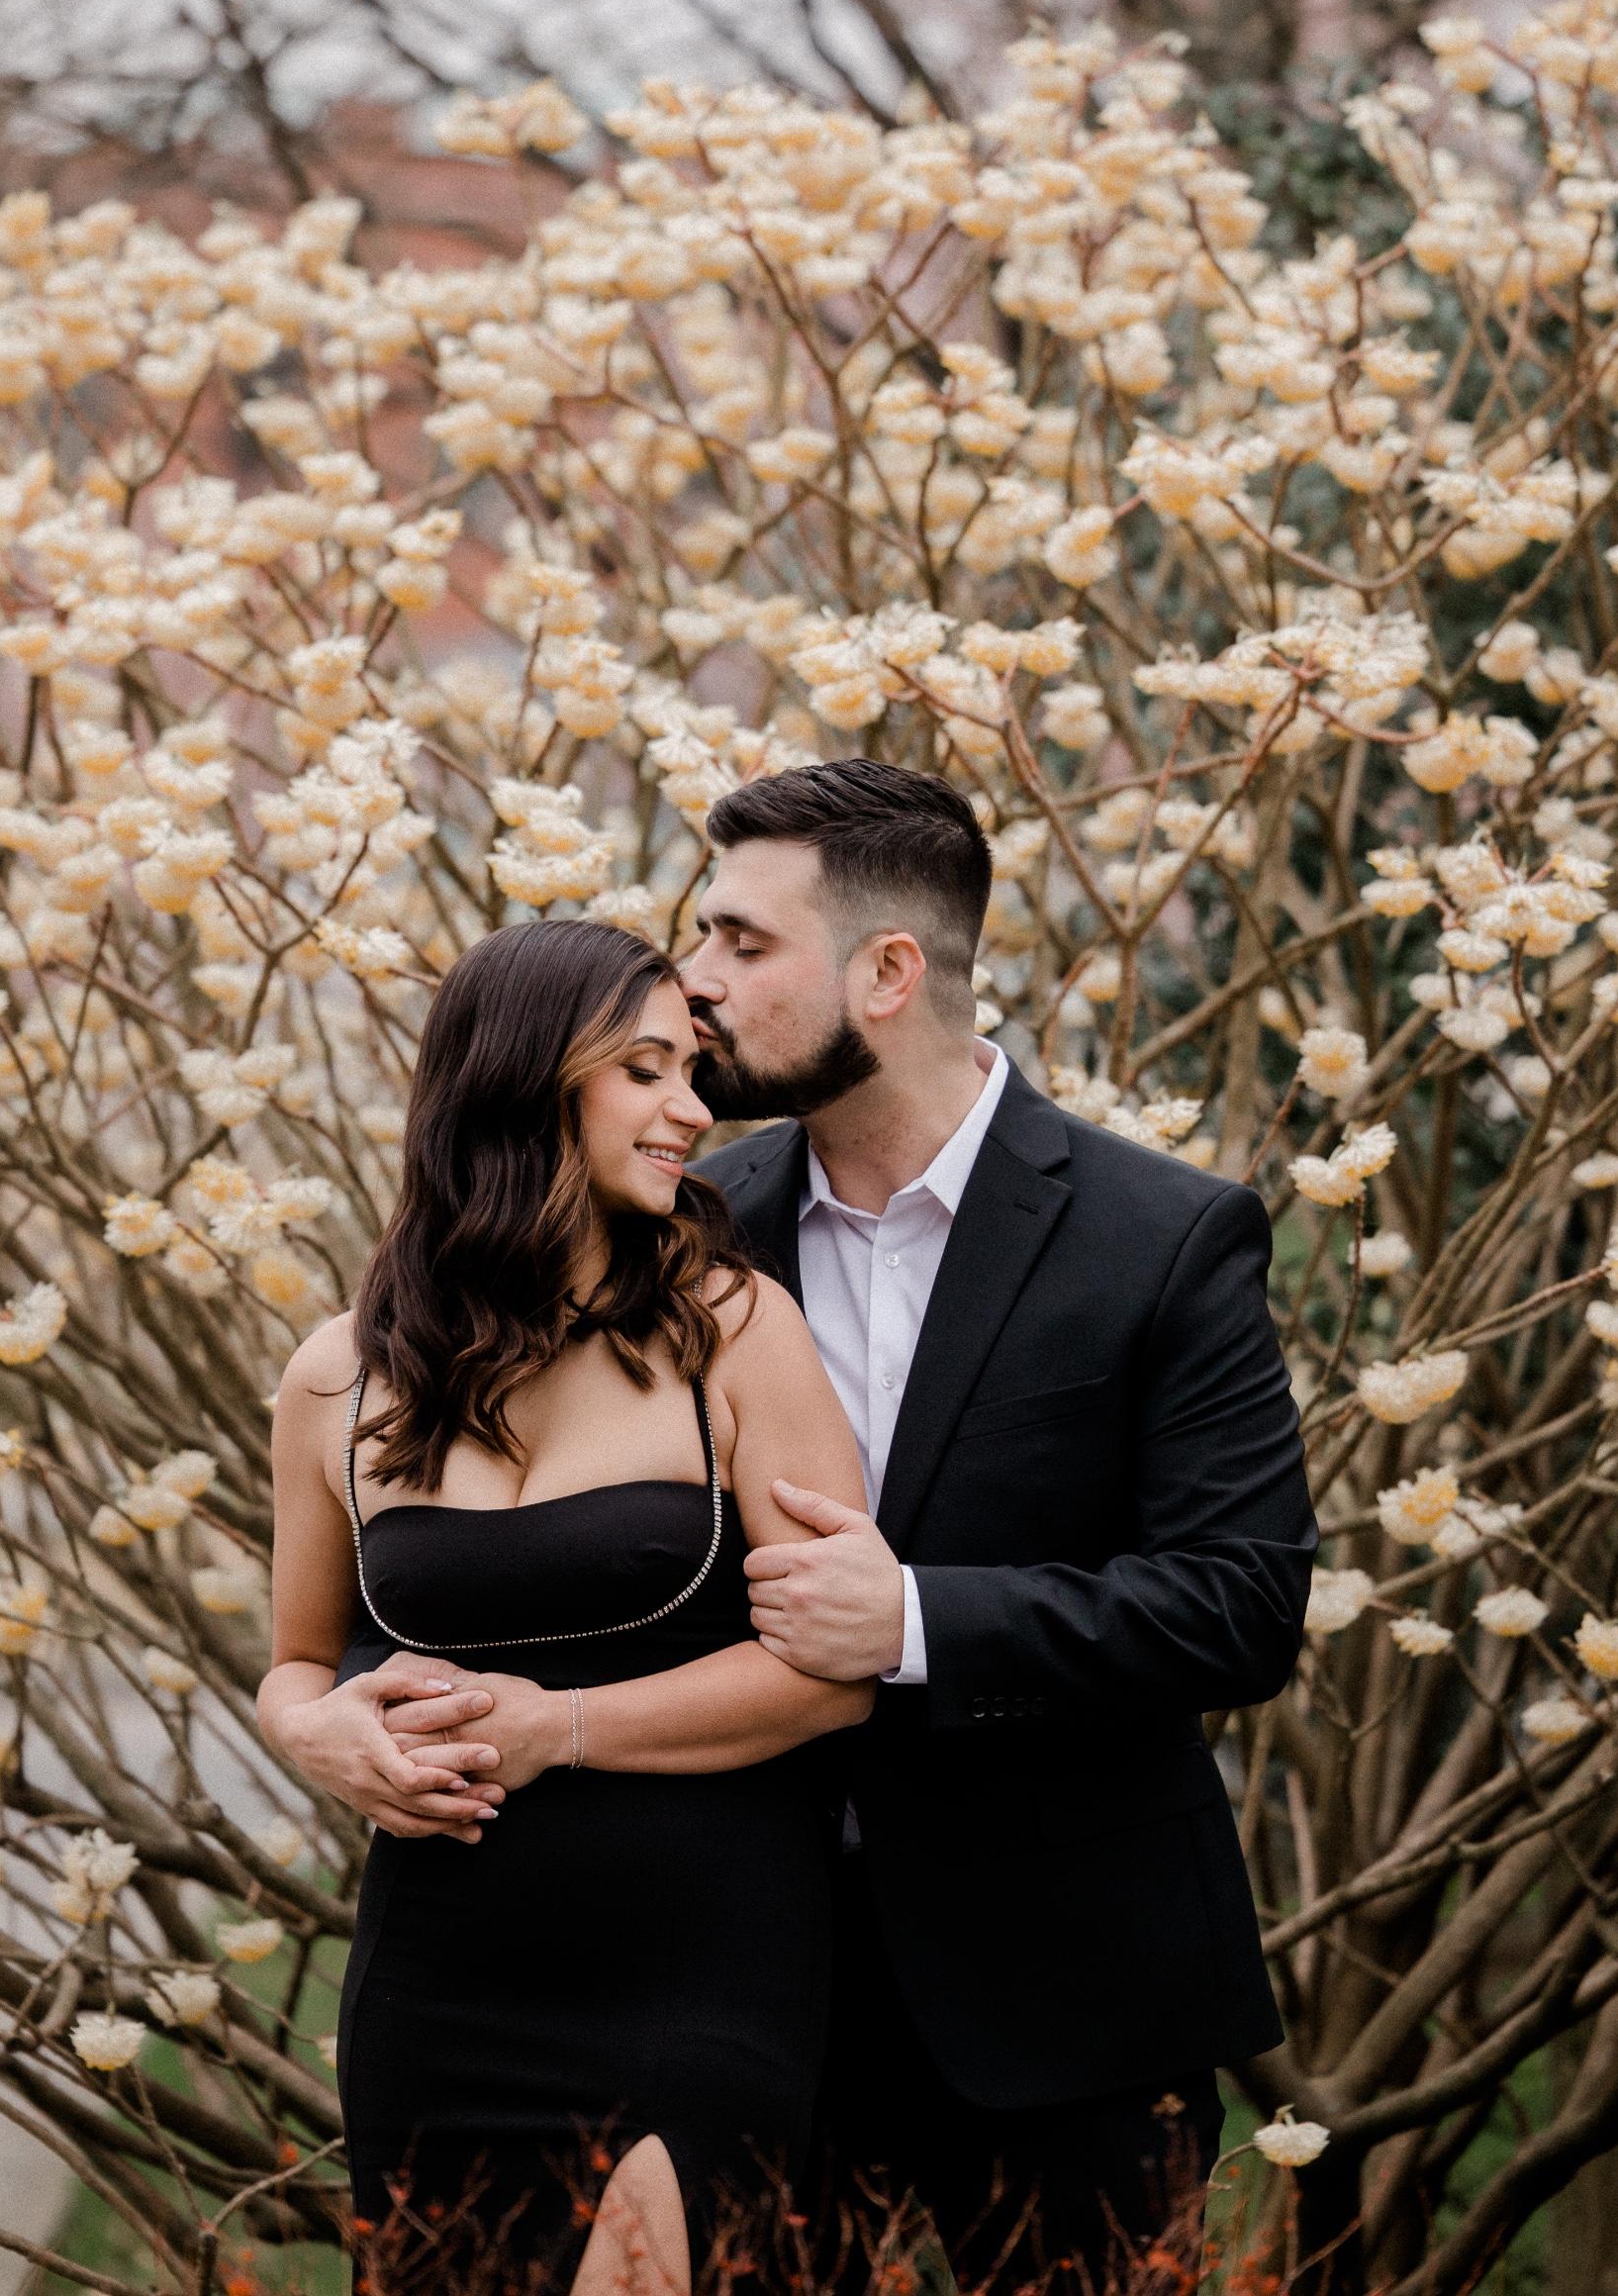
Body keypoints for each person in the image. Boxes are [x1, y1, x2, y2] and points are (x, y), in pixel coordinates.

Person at [670, 759, 1317, 2293]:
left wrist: (910, 1626)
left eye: (743, 944)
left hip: (1074, 2004)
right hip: (746, 1995)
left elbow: (1239, 1605)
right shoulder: (686, 1228)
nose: (693, 982)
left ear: (888, 973)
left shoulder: (1162, 1238)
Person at [259, 917, 872, 2296]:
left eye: (693, 1072)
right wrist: (321, 1737)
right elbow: (295, 1663)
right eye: (646, 1071)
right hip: (441, 1976)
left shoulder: (735, 1329)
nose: (691, 1112)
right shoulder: (334, 1379)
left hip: (702, 1967)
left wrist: (563, 1729)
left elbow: (834, 1667)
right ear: (531, 1079)